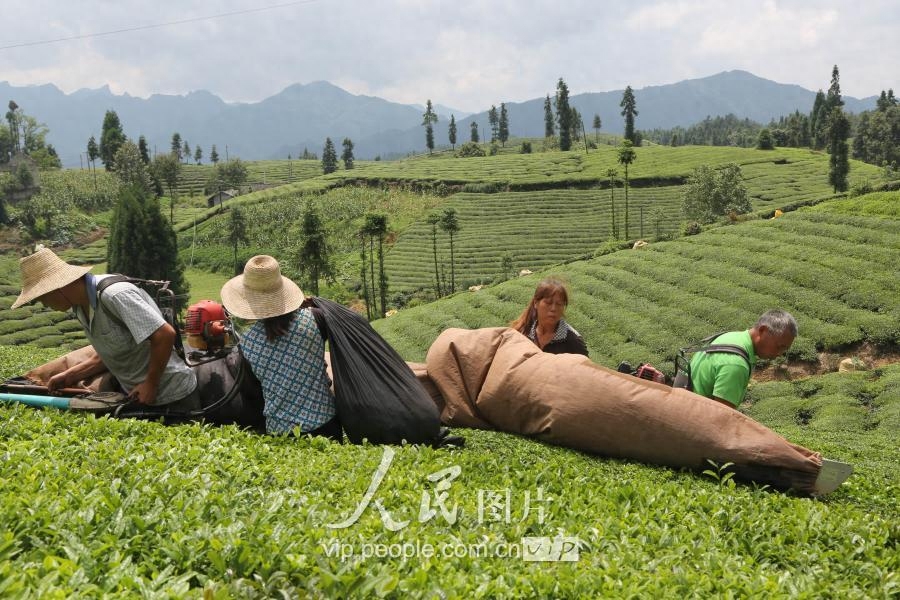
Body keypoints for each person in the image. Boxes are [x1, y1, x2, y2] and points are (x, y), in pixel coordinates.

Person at [12, 247, 199, 410]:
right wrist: (71, 375)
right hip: (137, 396)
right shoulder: (79, 307)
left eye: (42, 297)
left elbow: (164, 335)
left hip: (172, 394)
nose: (44, 304)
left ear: (57, 288)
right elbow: (109, 351)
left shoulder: (115, 295)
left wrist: (151, 383)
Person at [220, 255, 340, 440]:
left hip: (281, 433)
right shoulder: (315, 319)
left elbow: (255, 392)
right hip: (326, 425)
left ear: (249, 299)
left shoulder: (247, 344)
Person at [690, 309, 798, 408]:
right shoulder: (736, 364)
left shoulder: (731, 337)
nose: (780, 353)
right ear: (763, 330)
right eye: (779, 346)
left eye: (784, 350)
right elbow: (722, 417)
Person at [509, 277, 588, 356]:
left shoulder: (573, 341)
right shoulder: (523, 332)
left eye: (559, 304)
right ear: (536, 303)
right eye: (548, 303)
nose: (553, 309)